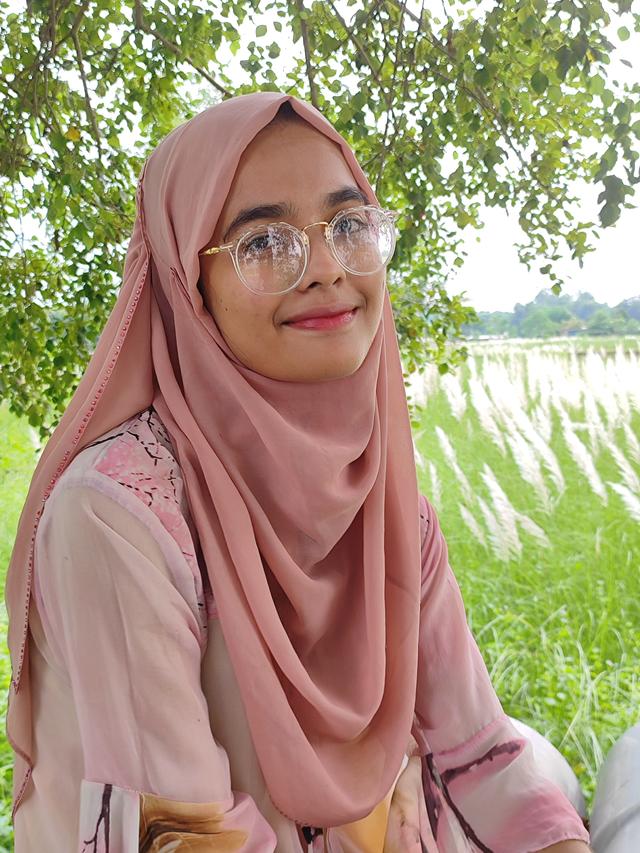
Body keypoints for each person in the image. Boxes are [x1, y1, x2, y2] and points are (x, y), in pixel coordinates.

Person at [4, 91, 592, 852]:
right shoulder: (119, 515)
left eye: (349, 226)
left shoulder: (387, 505)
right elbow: (187, 837)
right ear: (189, 286)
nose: (324, 268)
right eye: (262, 242)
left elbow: (476, 753)